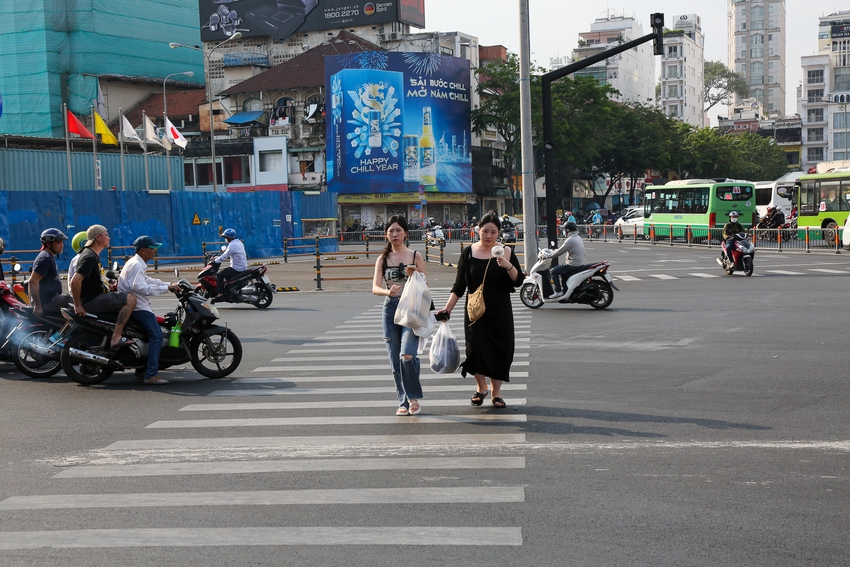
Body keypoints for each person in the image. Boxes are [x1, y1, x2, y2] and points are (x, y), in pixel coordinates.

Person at [436, 212, 523, 409]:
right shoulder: (468, 253)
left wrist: (508, 266)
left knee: (500, 351)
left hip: (500, 311)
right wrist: (447, 309)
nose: (489, 236)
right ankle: (481, 387)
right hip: (475, 313)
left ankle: (496, 394)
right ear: (478, 231)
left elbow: (518, 282)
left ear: (499, 233)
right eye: (485, 231)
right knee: (474, 350)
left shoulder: (506, 252)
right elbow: (459, 285)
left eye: (493, 232)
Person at [371, 215, 427, 416]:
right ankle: (403, 401)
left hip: (411, 308)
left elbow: (425, 285)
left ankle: (412, 397)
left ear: (406, 233)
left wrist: (416, 277)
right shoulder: (383, 259)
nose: (395, 234)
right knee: (395, 359)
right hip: (391, 309)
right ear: (386, 234)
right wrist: (388, 292)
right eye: (391, 231)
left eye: (398, 230)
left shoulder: (415, 256)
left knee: (407, 355)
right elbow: (375, 287)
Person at [117, 236, 179, 385]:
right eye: (152, 248)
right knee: (157, 336)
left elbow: (148, 281)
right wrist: (166, 288)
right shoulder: (137, 265)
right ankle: (150, 375)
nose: (154, 251)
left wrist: (167, 284)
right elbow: (141, 287)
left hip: (136, 304)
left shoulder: (136, 263)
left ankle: (142, 368)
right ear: (143, 250)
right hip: (138, 308)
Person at [69, 224, 137, 350]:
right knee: (131, 299)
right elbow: (75, 282)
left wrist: (110, 287)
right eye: (106, 235)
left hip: (95, 296)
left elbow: (94, 282)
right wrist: (78, 305)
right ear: (98, 237)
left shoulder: (93, 254)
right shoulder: (89, 256)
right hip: (91, 300)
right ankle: (116, 336)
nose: (109, 238)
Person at [29, 228, 72, 315]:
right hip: (49, 301)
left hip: (52, 298)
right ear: (48, 244)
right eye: (58, 242)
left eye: (62, 242)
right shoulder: (46, 258)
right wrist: (37, 305)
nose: (61, 245)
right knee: (79, 304)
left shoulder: (49, 256)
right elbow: (33, 281)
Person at [548, 221, 587, 299]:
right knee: (563, 273)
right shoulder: (577, 237)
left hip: (573, 264)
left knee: (553, 271)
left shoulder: (570, 240)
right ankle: (566, 290)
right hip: (580, 263)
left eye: (565, 230)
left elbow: (560, 251)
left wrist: (548, 256)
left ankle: (558, 292)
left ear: (568, 230)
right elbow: (561, 249)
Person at [212, 228, 247, 302]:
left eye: (225, 237)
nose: (225, 239)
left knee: (220, 275)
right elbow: (231, 253)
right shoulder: (239, 242)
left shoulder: (232, 245)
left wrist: (216, 260)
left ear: (229, 238)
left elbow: (224, 256)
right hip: (243, 267)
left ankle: (220, 294)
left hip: (236, 268)